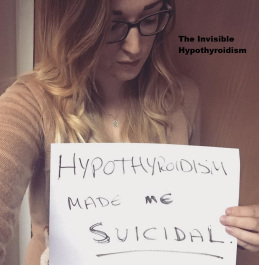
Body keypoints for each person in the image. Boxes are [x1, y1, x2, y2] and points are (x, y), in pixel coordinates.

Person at [0, 0, 258, 264]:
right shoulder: (31, 103)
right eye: (113, 25)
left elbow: (185, 214)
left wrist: (230, 233)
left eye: (149, 19)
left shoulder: (183, 99)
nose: (135, 47)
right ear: (76, 24)